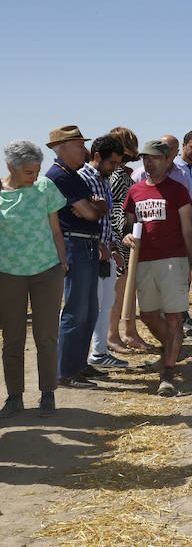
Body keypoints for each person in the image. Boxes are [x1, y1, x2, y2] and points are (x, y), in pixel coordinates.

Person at [122, 140, 192, 397]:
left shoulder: (178, 191)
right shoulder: (134, 191)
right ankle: (172, 348)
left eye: (155, 157)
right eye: (145, 158)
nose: (149, 162)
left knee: (175, 318)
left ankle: (167, 373)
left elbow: (188, 229)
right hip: (144, 261)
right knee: (147, 315)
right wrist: (126, 236)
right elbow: (129, 225)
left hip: (173, 261)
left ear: (167, 160)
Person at [0, 140, 67, 417]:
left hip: (47, 271)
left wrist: (62, 264)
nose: (35, 176)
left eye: (37, 170)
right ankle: (14, 396)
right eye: (29, 172)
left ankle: (47, 394)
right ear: (10, 168)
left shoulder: (45, 188)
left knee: (46, 335)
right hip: (8, 275)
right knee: (12, 338)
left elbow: (56, 231)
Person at [45, 125, 110, 388]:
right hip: (75, 245)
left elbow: (97, 207)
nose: (85, 149)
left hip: (86, 245)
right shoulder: (60, 177)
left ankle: (78, 365)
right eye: (79, 145)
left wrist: (96, 205)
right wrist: (95, 206)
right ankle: (66, 371)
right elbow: (93, 212)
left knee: (89, 310)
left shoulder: (71, 175)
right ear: (63, 148)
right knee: (77, 310)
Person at [78, 135, 128, 369]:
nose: (115, 168)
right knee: (88, 306)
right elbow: (81, 217)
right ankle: (77, 360)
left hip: (106, 252)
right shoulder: (82, 179)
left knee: (105, 303)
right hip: (89, 252)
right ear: (97, 156)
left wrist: (113, 247)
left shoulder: (103, 179)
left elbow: (105, 219)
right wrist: (99, 244)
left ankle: (99, 353)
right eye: (112, 163)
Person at [106, 126, 153, 353]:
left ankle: (129, 332)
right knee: (120, 288)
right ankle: (113, 336)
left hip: (126, 235)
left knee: (129, 287)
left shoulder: (122, 171)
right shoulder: (117, 174)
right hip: (121, 237)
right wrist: (120, 236)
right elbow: (116, 208)